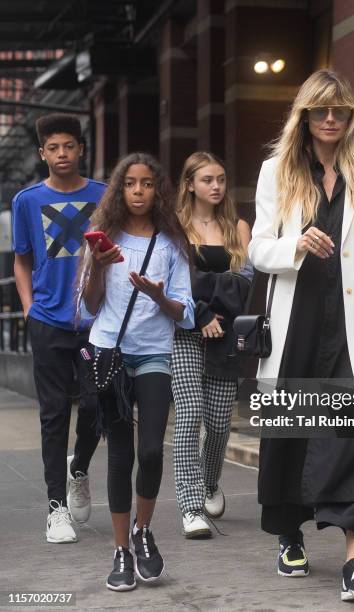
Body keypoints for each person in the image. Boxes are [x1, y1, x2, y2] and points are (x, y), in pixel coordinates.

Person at [248, 69, 354, 601]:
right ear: (306, 117)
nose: (331, 119)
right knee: (292, 434)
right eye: (321, 111)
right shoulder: (277, 172)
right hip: (299, 325)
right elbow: (257, 250)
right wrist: (295, 244)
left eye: (340, 111)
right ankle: (291, 535)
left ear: (351, 117)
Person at [78, 152, 193, 591]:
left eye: (147, 183)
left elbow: (184, 313)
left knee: (150, 451)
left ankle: (144, 532)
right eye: (130, 183)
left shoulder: (171, 244)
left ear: (158, 189)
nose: (139, 191)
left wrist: (159, 296)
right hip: (110, 351)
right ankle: (121, 548)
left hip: (153, 355)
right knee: (121, 454)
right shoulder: (104, 240)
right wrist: (98, 271)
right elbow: (90, 307)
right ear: (119, 190)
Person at [12, 113, 106, 543]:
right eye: (53, 148)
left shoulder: (103, 196)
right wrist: (29, 307)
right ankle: (57, 509)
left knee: (95, 406)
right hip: (48, 321)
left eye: (69, 146)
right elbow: (22, 260)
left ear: (81, 150)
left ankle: (79, 468)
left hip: (96, 321)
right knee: (53, 415)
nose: (62, 154)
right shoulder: (27, 200)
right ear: (42, 153)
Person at [172, 151, 252, 538]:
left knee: (219, 425)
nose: (216, 186)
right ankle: (190, 505)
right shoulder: (173, 228)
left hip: (227, 337)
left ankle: (208, 482)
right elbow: (176, 283)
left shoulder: (239, 228)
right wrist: (202, 311)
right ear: (190, 184)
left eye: (221, 178)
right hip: (185, 333)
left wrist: (205, 288)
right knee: (190, 416)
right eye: (207, 180)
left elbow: (247, 284)